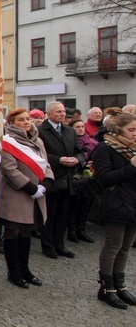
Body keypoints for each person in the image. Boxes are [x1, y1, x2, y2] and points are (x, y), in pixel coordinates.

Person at [0, 108, 54, 289]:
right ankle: (14, 272)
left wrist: (47, 183)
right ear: (11, 123)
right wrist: (30, 187)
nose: (27, 122)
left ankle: (25, 269)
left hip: (36, 193)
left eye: (28, 119)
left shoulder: (38, 141)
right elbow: (9, 169)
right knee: (13, 231)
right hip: (15, 193)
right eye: (21, 120)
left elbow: (46, 164)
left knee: (27, 231)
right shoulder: (7, 142)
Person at [89, 111, 136, 309]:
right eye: (131, 130)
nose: (135, 134)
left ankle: (120, 285)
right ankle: (106, 288)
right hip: (115, 201)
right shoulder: (104, 148)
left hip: (133, 202)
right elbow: (104, 178)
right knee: (113, 245)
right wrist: (131, 167)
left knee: (126, 247)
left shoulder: (133, 149)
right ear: (119, 130)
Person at [37, 101, 86, 259]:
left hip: (68, 178)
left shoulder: (70, 131)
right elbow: (39, 154)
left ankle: (59, 244)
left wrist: (77, 160)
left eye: (63, 111)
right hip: (52, 177)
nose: (62, 114)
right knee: (50, 214)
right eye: (58, 112)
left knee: (63, 214)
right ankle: (48, 246)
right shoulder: (40, 131)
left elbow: (80, 151)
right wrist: (59, 160)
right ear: (49, 114)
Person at [69, 119, 97, 244]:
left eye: (82, 126)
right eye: (77, 127)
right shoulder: (70, 141)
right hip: (74, 176)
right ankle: (72, 230)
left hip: (88, 176)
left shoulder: (92, 143)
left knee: (86, 204)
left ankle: (82, 229)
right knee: (74, 205)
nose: (80, 129)